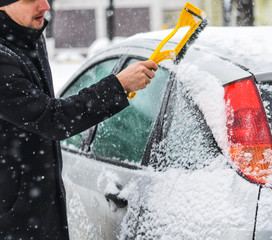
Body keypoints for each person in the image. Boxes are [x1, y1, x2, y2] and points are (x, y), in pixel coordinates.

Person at [0, 0, 158, 239]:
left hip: (37, 204)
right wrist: (118, 85)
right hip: (13, 217)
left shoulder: (28, 36)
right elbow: (52, 118)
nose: (45, 5)